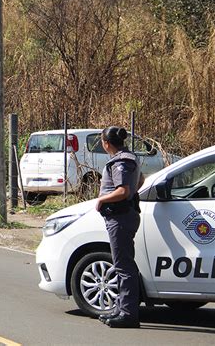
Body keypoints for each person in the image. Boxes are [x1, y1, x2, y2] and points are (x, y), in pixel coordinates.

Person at [95, 126, 145, 328]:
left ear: (107, 144)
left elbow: (123, 190)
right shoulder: (130, 157)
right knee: (123, 264)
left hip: (120, 217)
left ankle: (128, 313)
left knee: (123, 266)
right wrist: (131, 192)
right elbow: (139, 180)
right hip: (124, 215)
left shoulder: (121, 161)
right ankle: (121, 307)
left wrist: (102, 200)